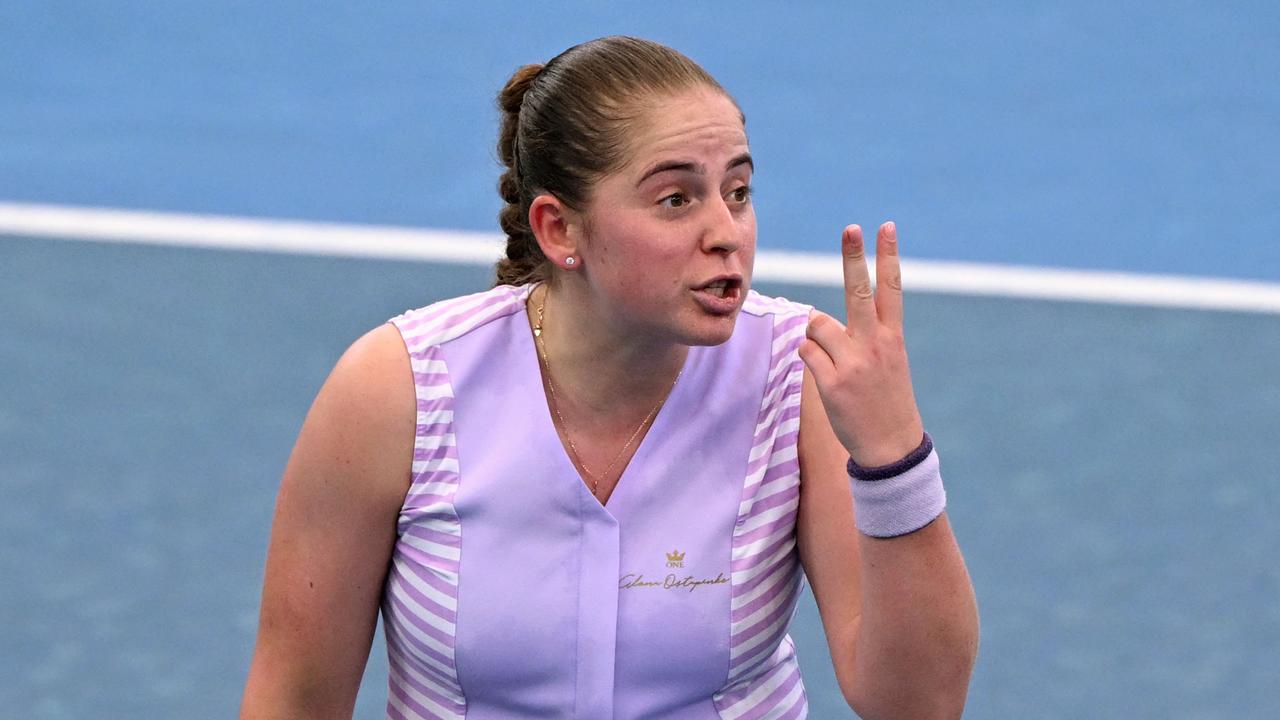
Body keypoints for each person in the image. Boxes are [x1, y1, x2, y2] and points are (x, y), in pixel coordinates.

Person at [240, 36, 978, 720]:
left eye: (739, 191)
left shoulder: (802, 379)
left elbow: (917, 703)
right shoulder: (394, 389)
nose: (726, 231)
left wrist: (893, 458)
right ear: (561, 230)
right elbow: (295, 697)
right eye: (676, 200)